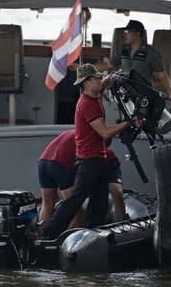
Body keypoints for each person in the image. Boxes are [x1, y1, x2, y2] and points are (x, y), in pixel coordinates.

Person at [41, 64, 137, 239]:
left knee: (99, 201)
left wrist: (108, 80)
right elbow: (105, 132)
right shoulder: (87, 104)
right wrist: (129, 123)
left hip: (99, 159)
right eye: (97, 78)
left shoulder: (94, 96)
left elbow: (100, 89)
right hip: (88, 160)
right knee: (74, 200)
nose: (100, 80)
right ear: (86, 82)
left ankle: (94, 235)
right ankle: (48, 234)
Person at [38, 130, 126, 228]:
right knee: (74, 212)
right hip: (61, 164)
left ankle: (42, 239)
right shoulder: (94, 151)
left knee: (47, 205)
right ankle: (72, 240)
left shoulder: (80, 134)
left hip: (43, 161)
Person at [91, 20, 171, 102]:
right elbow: (108, 64)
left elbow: (162, 74)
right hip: (125, 93)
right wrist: (85, 67)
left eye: (128, 32)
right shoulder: (123, 49)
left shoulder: (150, 52)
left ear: (138, 33)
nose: (125, 35)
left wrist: (170, 93)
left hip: (143, 94)